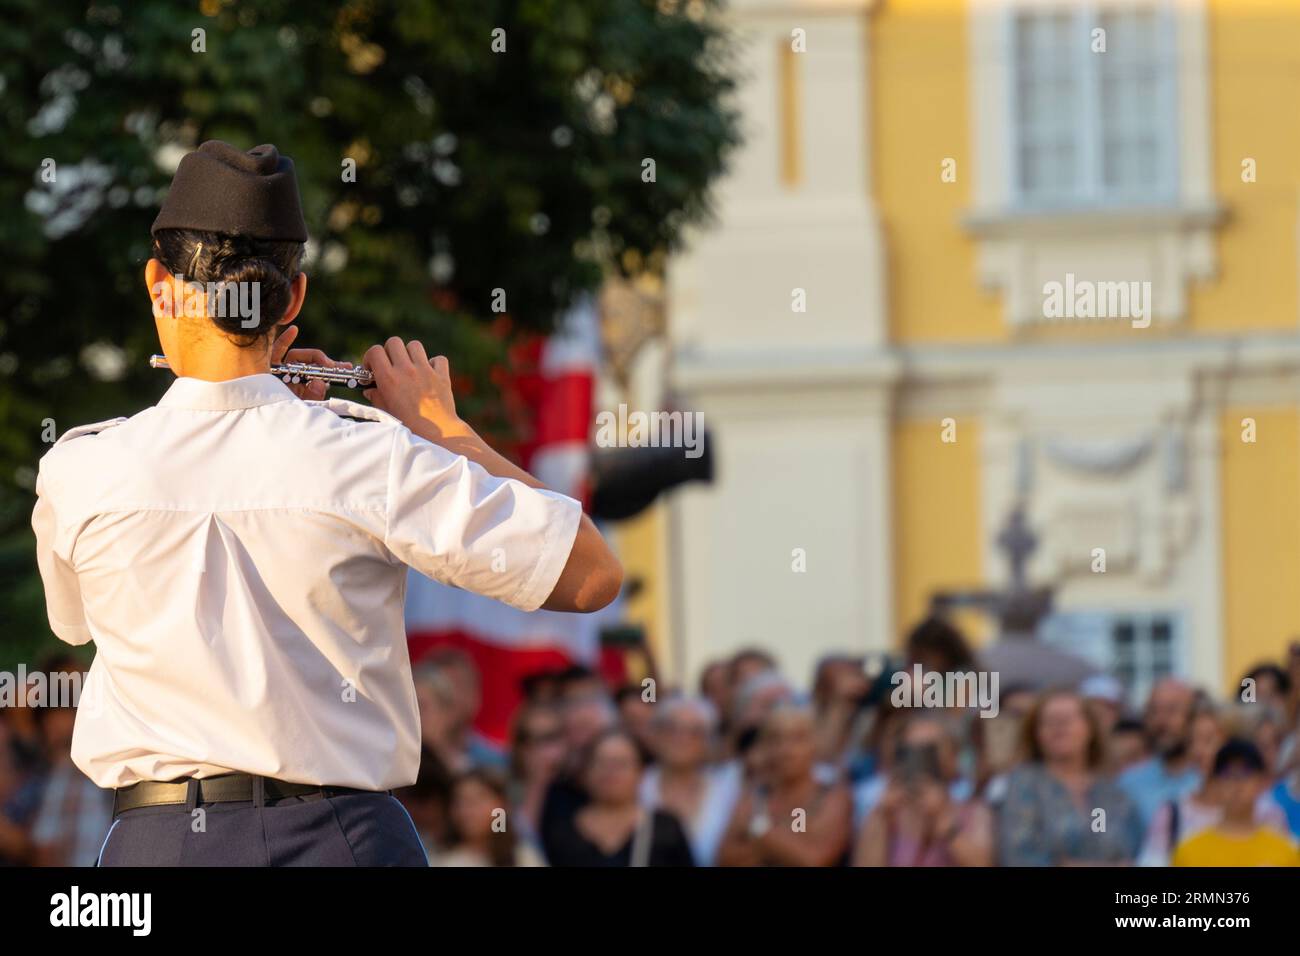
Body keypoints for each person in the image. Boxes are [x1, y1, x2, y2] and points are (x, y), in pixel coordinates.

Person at [31, 140, 622, 867]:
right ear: (296, 297)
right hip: (340, 837)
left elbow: (76, 623)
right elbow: (592, 573)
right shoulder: (366, 455)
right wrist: (443, 430)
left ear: (159, 282)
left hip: (155, 844)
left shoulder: (81, 466)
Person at [999, 689, 1143, 866]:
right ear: (1036, 733)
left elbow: (1126, 850)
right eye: (1049, 721)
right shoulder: (1024, 784)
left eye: (1067, 719)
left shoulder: (1109, 791)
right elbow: (1019, 856)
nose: (1059, 727)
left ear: (1090, 728)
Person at [1138, 702, 1287, 866]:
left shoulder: (1267, 814)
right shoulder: (1172, 813)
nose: (1198, 751)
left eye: (1209, 740)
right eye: (1192, 741)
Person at [718, 704, 853, 866]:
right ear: (764, 746)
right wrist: (789, 847)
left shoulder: (832, 797)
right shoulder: (753, 795)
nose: (786, 749)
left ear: (814, 743)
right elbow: (726, 858)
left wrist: (758, 829)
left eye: (797, 738)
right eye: (775, 739)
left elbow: (814, 860)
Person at [853, 714, 994, 867]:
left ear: (953, 756)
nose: (921, 758)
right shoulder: (888, 813)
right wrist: (881, 816)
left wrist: (946, 825)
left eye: (930, 749)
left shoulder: (974, 812)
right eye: (911, 750)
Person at [545, 730, 694, 866]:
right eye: (601, 763)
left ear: (641, 772)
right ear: (586, 772)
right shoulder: (562, 832)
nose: (610, 772)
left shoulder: (666, 828)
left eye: (620, 764)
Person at [640, 697, 741, 866]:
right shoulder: (636, 785)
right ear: (655, 735)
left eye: (695, 732)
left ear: (709, 741)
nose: (681, 738)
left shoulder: (730, 788)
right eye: (671, 729)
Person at [1172, 739, 1300, 867]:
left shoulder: (1287, 853)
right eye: (1227, 774)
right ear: (1216, 783)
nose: (1237, 783)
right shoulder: (1189, 851)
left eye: (1245, 773)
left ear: (1261, 782)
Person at [1117, 678, 1201, 830]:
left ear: (1193, 718)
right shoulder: (1128, 784)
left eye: (1171, 711)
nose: (1161, 721)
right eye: (1153, 712)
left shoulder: (1212, 781)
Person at [430, 770, 545, 867]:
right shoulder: (442, 859)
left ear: (501, 806)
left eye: (478, 800)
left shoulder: (522, 855)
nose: (467, 811)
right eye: (460, 802)